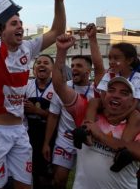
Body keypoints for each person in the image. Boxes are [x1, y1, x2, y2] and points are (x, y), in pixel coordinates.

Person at [0, 0, 66, 188]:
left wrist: (59, 2)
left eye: (21, 23)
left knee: (25, 185)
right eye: (13, 23)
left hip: (19, 130)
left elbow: (57, 31)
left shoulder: (28, 47)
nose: (20, 26)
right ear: (0, 30)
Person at [52, 34, 140, 188]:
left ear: (130, 60)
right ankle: (87, 130)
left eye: (124, 92)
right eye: (111, 89)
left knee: (136, 115)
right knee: (94, 101)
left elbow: (135, 104)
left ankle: (122, 150)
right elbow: (99, 83)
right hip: (106, 108)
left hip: (134, 111)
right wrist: (61, 51)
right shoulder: (109, 75)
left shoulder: (137, 78)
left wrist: (114, 121)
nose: (112, 62)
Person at [42, 23, 104, 188]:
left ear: (87, 71)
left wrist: (92, 39)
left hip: (90, 140)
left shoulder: (96, 90)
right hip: (66, 140)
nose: (74, 69)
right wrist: (47, 143)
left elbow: (100, 70)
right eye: (73, 65)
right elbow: (53, 116)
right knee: (59, 180)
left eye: (79, 66)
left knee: (89, 182)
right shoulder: (64, 88)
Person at [23, 54, 59, 188]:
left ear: (53, 68)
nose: (42, 65)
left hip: (49, 135)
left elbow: (59, 116)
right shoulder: (26, 85)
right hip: (28, 134)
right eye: (38, 63)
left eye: (46, 63)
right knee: (28, 171)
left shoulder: (57, 88)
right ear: (34, 68)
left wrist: (37, 111)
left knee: (46, 175)